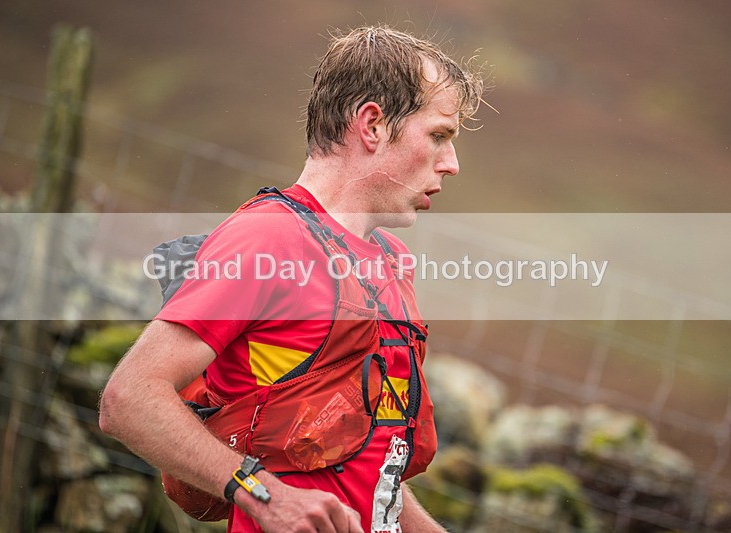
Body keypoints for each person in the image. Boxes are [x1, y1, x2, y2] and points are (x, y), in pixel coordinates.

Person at [99, 25, 483, 533]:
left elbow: (366, 463)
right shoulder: (269, 237)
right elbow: (128, 398)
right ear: (372, 125)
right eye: (438, 136)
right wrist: (264, 495)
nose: (451, 164)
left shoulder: (393, 261)